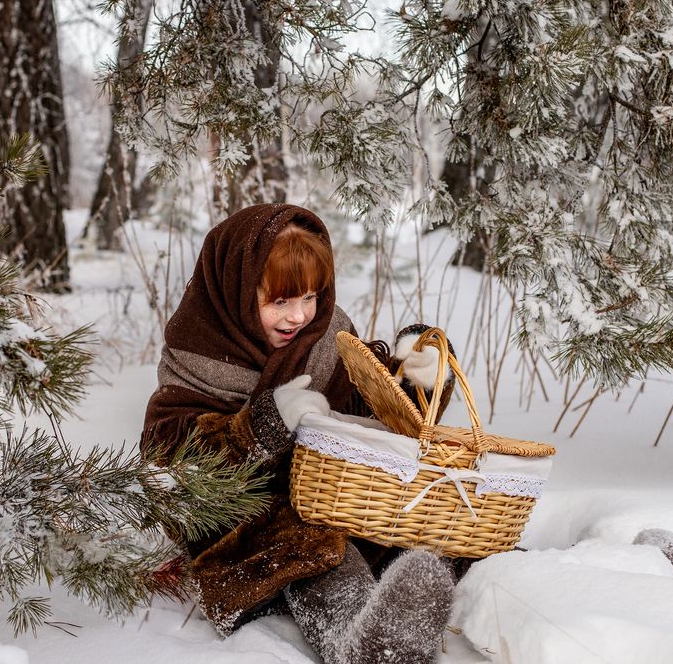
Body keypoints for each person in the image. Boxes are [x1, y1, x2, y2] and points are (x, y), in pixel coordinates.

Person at [140, 203, 456, 664]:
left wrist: (412, 381)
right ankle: (360, 643)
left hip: (335, 501)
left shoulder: (327, 336)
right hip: (245, 536)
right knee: (307, 542)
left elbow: (367, 416)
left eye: (310, 296)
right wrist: (262, 427)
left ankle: (421, 603)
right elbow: (169, 466)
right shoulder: (201, 348)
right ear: (238, 291)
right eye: (279, 301)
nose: (298, 317)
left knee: (417, 525)